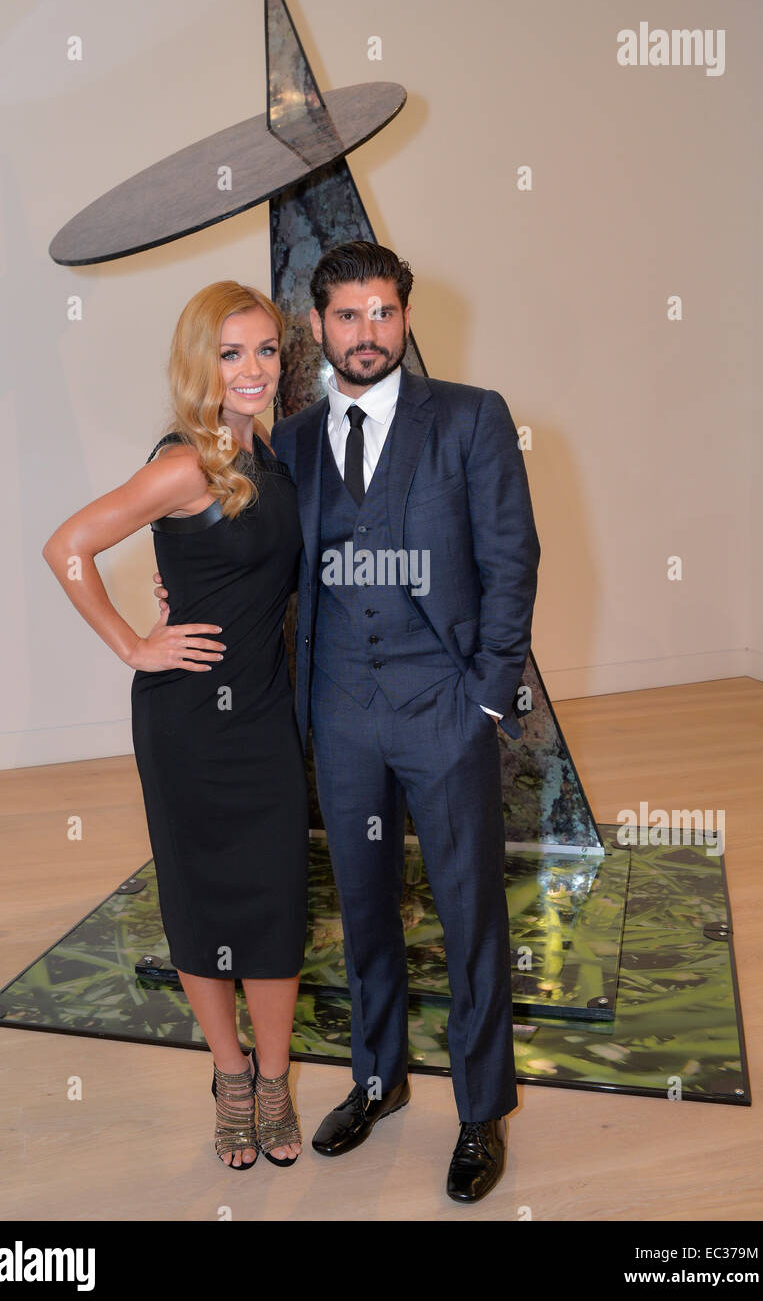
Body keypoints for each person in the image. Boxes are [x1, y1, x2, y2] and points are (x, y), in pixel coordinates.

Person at [156, 242, 540, 1203]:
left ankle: (482, 1110)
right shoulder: (286, 437)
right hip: (337, 714)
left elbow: (511, 559)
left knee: (468, 917)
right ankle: (377, 1080)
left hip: (443, 711)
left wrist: (488, 696)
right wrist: (177, 586)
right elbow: (243, 545)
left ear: (403, 319)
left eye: (383, 313)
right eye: (346, 316)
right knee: (362, 911)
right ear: (316, 327)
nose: (366, 332)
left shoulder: (470, 417)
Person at [42, 281, 309, 1171]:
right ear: (200, 362)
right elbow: (67, 545)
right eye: (231, 353)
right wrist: (134, 644)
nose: (253, 369)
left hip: (263, 710)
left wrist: (186, 581)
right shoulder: (186, 463)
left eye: (266, 349)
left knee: (273, 898)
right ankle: (232, 1080)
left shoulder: (268, 445)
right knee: (202, 904)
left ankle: (276, 1083)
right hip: (190, 721)